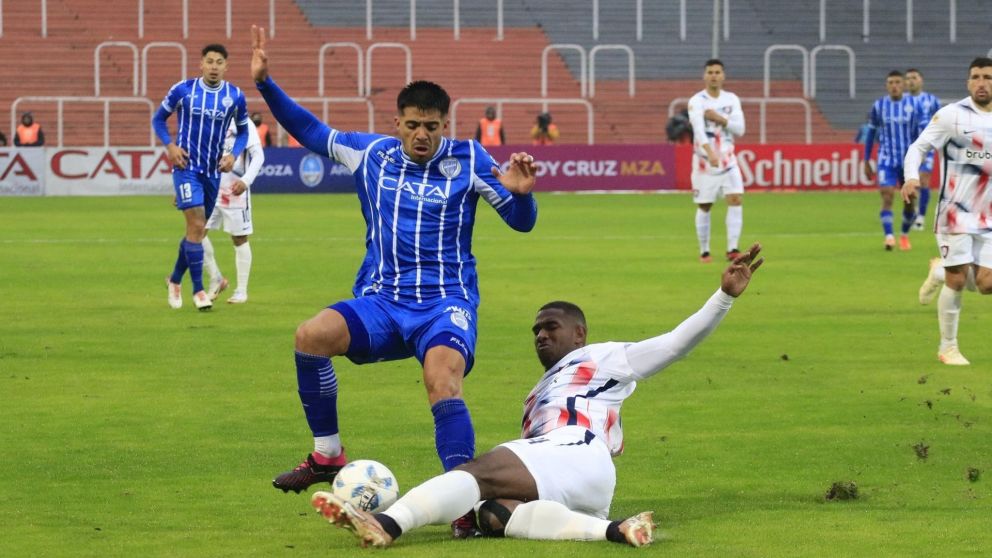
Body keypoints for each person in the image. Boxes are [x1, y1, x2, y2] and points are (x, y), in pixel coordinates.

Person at [250, 26, 538, 529]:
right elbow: (311, 130)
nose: (422, 134)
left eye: (431, 125)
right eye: (412, 125)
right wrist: (266, 85)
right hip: (382, 301)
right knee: (310, 336)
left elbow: (522, 222)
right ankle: (327, 455)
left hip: (445, 302)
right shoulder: (372, 154)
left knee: (443, 382)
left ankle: (463, 503)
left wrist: (522, 193)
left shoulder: (471, 159)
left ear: (445, 124)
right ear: (397, 123)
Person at [308, 244, 765, 549]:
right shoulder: (537, 396)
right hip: (583, 481)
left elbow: (674, 343)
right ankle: (616, 530)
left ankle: (385, 525)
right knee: (493, 513)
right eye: (535, 331)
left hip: (577, 448)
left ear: (579, 333)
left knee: (478, 472)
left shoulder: (604, 357)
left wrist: (723, 297)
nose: (540, 336)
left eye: (551, 327)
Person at [903, 57, 992, 366]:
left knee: (987, 284)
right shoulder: (952, 115)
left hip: (989, 217)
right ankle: (948, 347)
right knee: (958, 281)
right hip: (954, 214)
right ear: (968, 82)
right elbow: (918, 148)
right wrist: (912, 177)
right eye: (976, 77)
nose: (982, 82)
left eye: (988, 77)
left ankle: (939, 270)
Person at [152, 43, 249, 311]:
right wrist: (170, 146)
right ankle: (199, 291)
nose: (214, 67)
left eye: (219, 62)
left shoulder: (235, 96)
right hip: (186, 167)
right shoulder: (183, 90)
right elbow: (158, 119)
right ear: (201, 64)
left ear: (226, 67)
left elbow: (242, 133)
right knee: (196, 224)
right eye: (210, 61)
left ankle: (174, 280)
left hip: (212, 172)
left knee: (195, 230)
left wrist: (234, 155)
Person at [202, 117, 265, 304]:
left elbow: (258, 155)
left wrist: (245, 181)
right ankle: (216, 278)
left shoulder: (243, 122)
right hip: (211, 188)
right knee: (196, 233)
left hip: (234, 190)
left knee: (239, 239)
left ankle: (241, 291)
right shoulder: (209, 118)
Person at [688, 59, 746, 263]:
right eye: (710, 72)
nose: (714, 75)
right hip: (705, 162)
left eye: (717, 72)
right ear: (704, 76)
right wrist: (709, 152)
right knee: (705, 205)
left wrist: (720, 119)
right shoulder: (696, 101)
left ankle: (733, 249)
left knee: (736, 199)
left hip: (728, 160)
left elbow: (740, 129)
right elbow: (698, 130)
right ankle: (704, 250)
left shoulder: (732, 99)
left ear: (723, 76)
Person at [863, 70, 919, 251]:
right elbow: (870, 134)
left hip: (908, 161)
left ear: (903, 85)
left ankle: (903, 234)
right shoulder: (879, 106)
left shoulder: (913, 105)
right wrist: (866, 160)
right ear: (886, 86)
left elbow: (920, 135)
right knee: (887, 194)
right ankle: (889, 236)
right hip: (886, 159)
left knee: (909, 200)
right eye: (890, 83)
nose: (894, 86)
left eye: (897, 82)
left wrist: (921, 159)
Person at [905, 69, 941, 231]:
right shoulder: (902, 101)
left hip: (927, 147)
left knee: (924, 179)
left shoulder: (932, 101)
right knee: (909, 181)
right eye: (908, 79)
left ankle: (920, 216)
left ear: (921, 80)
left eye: (914, 78)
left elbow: (940, 123)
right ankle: (910, 213)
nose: (911, 81)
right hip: (906, 147)